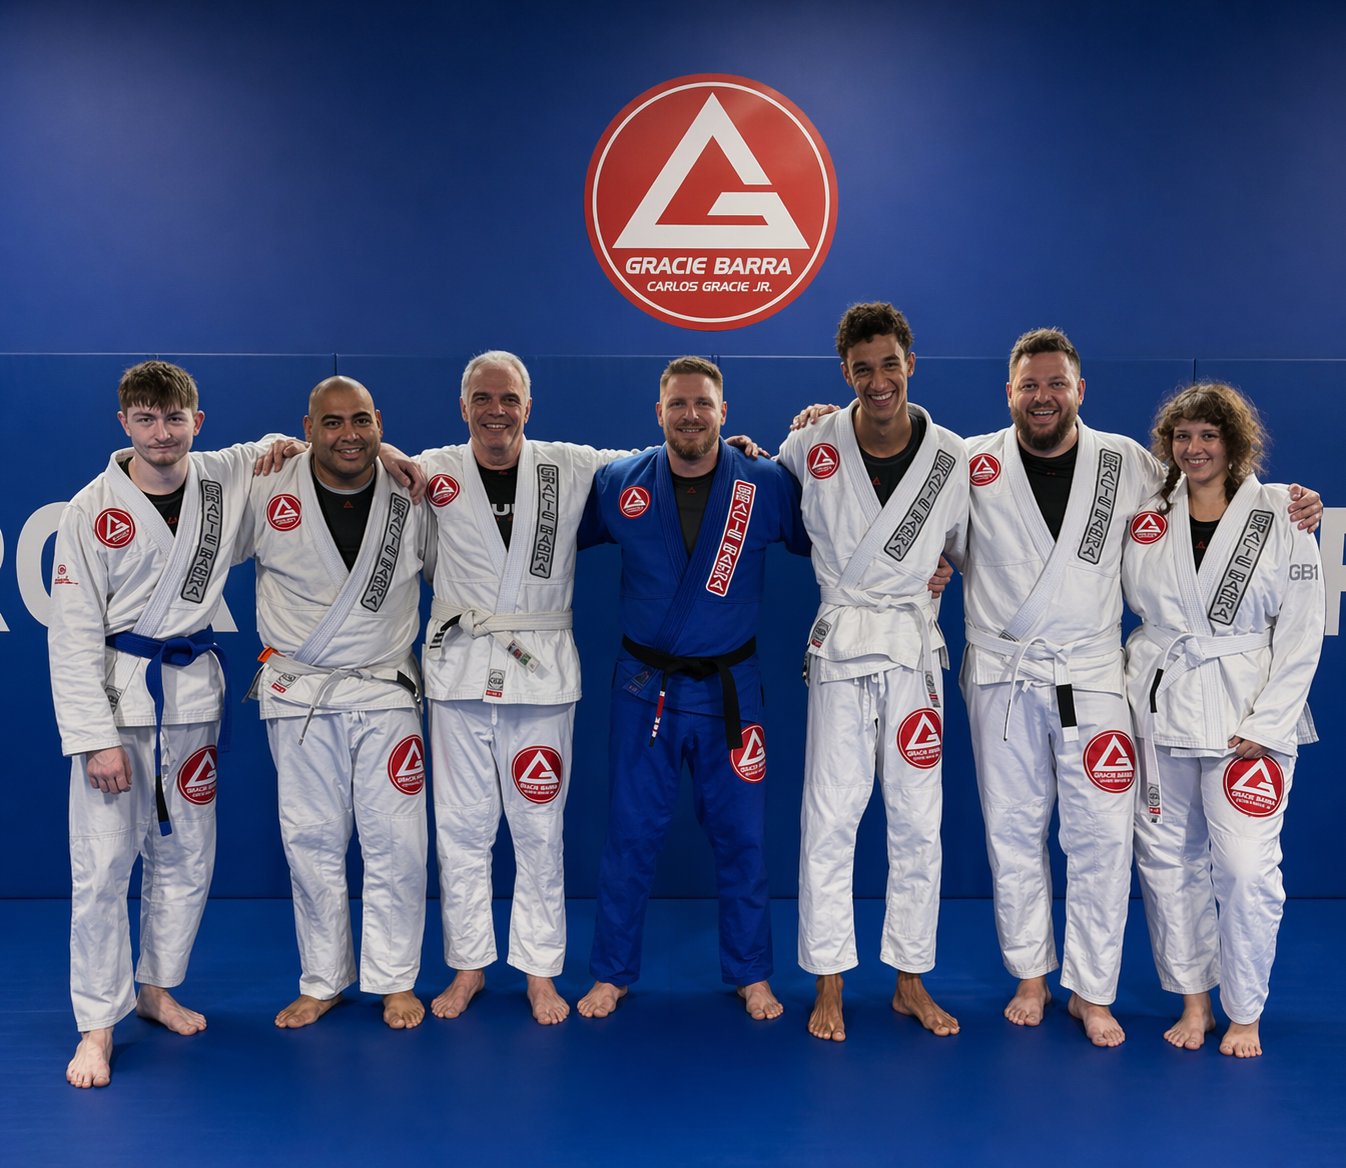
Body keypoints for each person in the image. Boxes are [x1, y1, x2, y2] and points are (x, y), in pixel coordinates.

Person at [960, 328, 1320, 1047]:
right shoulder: (970, 463)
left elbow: (1231, 510)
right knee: (1017, 830)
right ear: (1009, 392)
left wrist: (1292, 501)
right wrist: (822, 422)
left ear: (1079, 390)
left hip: (1098, 680)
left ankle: (1092, 992)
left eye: (1056, 382)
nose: (1043, 396)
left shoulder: (1126, 464)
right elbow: (902, 475)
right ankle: (1033, 973)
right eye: (1029, 384)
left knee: (1103, 839)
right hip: (1013, 676)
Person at [49, 361, 287, 1087]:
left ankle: (155, 988)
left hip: (191, 700)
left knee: (186, 856)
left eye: (174, 418)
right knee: (101, 870)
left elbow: (295, 448)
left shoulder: (223, 473)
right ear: (124, 422)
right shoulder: (90, 509)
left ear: (197, 421)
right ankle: (97, 1025)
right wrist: (93, 739)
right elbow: (71, 634)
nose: (161, 433)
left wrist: (393, 458)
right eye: (146, 419)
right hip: (121, 702)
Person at [576, 356, 810, 1020]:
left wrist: (931, 563)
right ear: (659, 414)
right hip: (643, 687)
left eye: (702, 403)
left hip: (731, 690)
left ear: (723, 411)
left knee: (743, 837)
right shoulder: (620, 483)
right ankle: (612, 972)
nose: (690, 414)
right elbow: (543, 526)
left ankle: (752, 973)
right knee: (630, 833)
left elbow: (838, 537)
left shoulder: (763, 485)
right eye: (677, 404)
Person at [418, 352, 632, 1025]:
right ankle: (469, 966)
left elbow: (659, 461)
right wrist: (282, 446)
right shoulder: (431, 471)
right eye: (482, 398)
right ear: (464, 407)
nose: (496, 410)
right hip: (458, 672)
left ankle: (541, 970)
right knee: (460, 828)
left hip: (539, 673)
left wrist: (733, 444)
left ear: (527, 407)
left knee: (539, 827)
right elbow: (360, 469)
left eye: (508, 398)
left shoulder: (569, 465)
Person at [777, 302, 968, 1042]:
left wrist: (941, 569)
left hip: (915, 655)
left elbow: (974, 547)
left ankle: (909, 980)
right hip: (842, 646)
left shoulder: (951, 456)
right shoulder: (812, 441)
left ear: (910, 364)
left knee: (919, 822)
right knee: (831, 817)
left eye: (890, 364)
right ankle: (828, 980)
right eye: (863, 369)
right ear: (845, 373)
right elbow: (754, 483)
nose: (879, 380)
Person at [1123, 383, 1322, 1058]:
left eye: (1208, 435)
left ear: (1234, 443)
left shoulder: (1283, 512)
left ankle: (1245, 1010)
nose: (1195, 448)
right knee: (1166, 862)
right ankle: (1195, 1000)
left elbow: (1299, 634)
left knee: (1244, 869)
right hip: (1161, 704)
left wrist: (1269, 723)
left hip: (1247, 714)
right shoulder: (1147, 512)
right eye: (1183, 436)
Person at [241, 376, 435, 1030]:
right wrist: (268, 445)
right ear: (306, 428)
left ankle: (394, 979)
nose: (346, 434)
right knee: (311, 839)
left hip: (385, 689)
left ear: (379, 421)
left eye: (359, 420)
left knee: (397, 842)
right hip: (299, 693)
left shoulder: (413, 494)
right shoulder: (268, 485)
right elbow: (192, 488)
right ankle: (322, 978)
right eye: (330, 423)